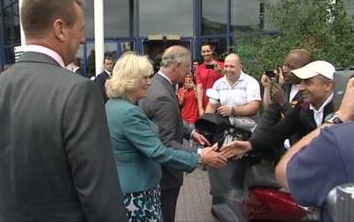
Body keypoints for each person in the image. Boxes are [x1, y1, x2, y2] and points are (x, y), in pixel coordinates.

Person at [0, 0, 127, 221]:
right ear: (60, 29)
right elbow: (101, 198)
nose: (83, 39)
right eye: (80, 29)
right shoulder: (79, 91)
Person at [274, 6, 354, 222]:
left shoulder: (347, 138)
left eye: (308, 82)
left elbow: (286, 170)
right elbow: (278, 128)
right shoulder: (301, 105)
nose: (302, 88)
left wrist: (341, 116)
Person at [105, 52, 227, 222]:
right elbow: (159, 151)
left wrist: (190, 134)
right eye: (145, 78)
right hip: (137, 193)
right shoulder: (128, 112)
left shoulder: (116, 105)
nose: (149, 82)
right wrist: (200, 158)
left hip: (129, 188)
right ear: (130, 80)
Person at [139, 45, 212, 222]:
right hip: (166, 175)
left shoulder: (158, 84)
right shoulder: (163, 95)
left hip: (156, 171)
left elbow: (171, 119)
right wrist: (200, 154)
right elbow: (166, 141)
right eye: (187, 68)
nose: (189, 73)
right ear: (177, 65)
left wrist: (190, 132)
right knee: (166, 216)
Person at [221, 61, 336, 160]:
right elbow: (279, 131)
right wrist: (249, 144)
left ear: (328, 85)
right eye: (301, 82)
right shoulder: (303, 107)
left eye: (308, 83)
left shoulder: (342, 111)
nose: (301, 88)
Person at [205, 53, 262, 221]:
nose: (228, 70)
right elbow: (212, 104)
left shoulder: (250, 82)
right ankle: (222, 205)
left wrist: (233, 110)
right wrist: (207, 119)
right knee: (222, 165)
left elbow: (254, 107)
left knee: (242, 167)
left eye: (232, 66)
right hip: (224, 131)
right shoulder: (218, 83)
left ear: (240, 66)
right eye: (227, 66)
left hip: (245, 131)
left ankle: (243, 206)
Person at [196, 43, 224, 116]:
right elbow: (199, 88)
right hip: (206, 104)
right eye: (203, 52)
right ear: (201, 53)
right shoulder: (199, 69)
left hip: (222, 104)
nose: (206, 54)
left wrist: (221, 71)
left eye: (208, 51)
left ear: (212, 51)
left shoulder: (222, 65)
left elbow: (230, 79)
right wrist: (200, 107)